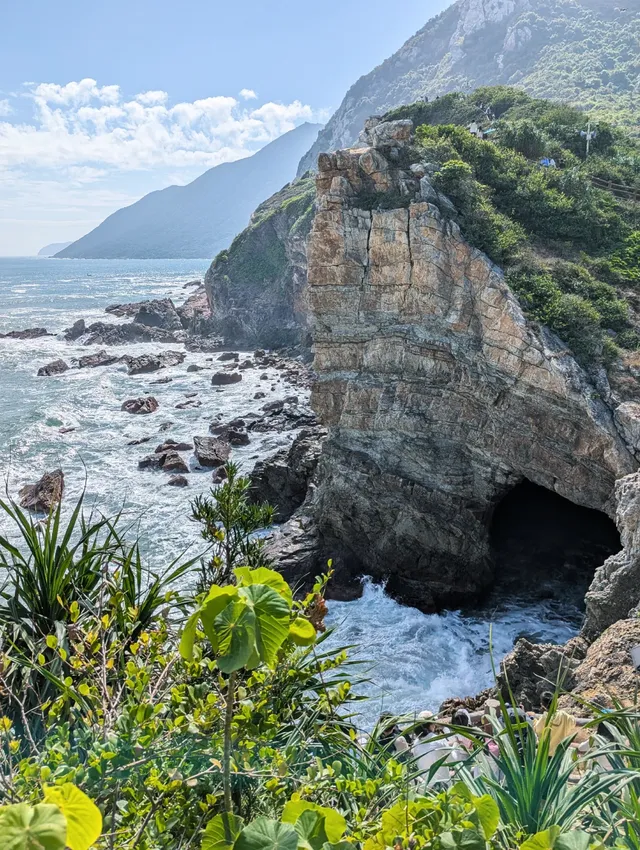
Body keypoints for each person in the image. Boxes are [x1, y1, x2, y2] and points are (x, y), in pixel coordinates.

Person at [533, 692, 584, 757]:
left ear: (542, 705)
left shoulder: (544, 718)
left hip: (546, 754)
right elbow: (573, 722)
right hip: (560, 753)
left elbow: (537, 730)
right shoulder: (563, 715)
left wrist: (534, 719)